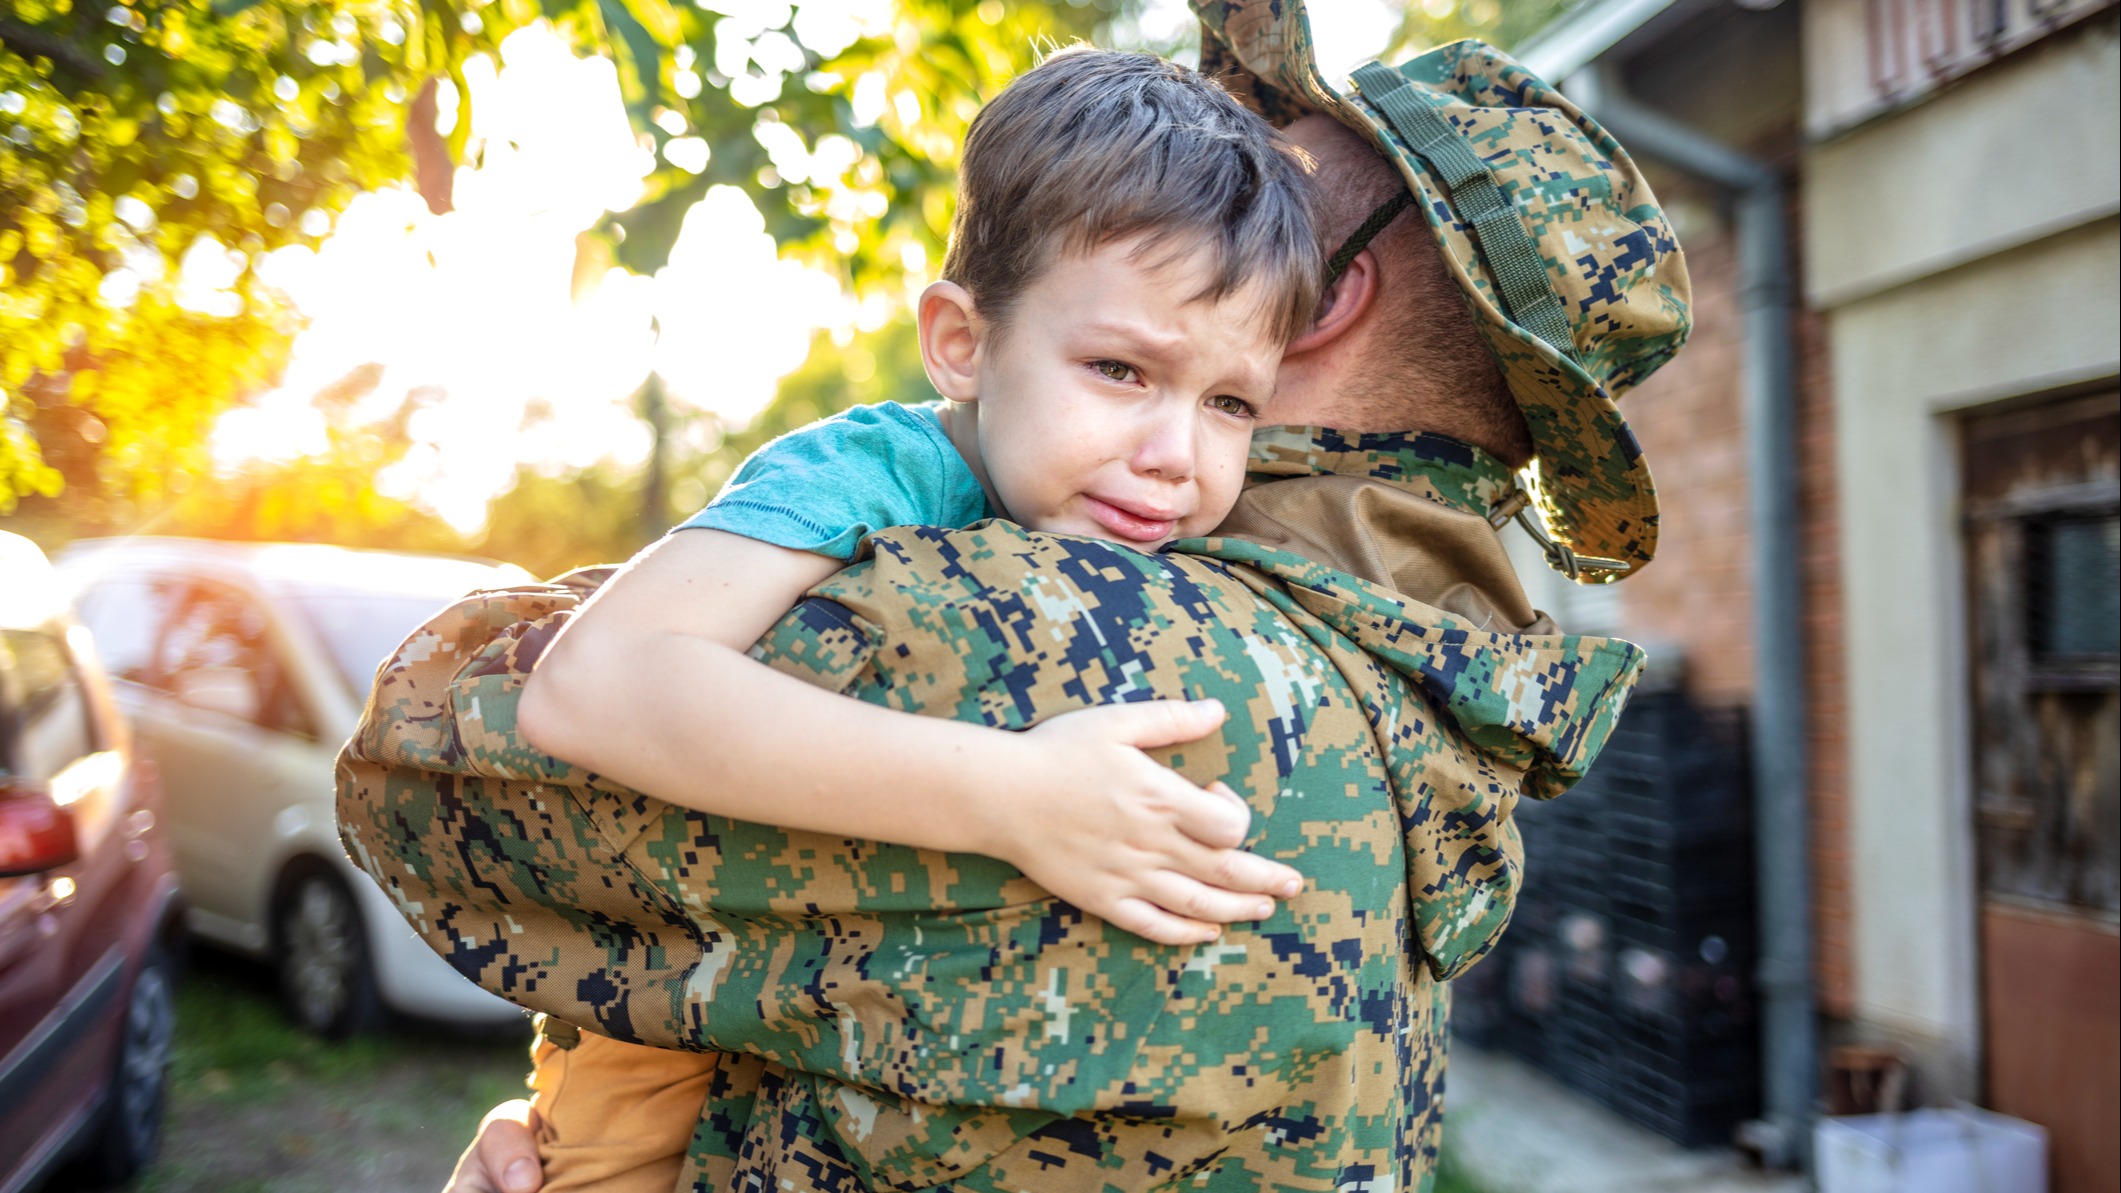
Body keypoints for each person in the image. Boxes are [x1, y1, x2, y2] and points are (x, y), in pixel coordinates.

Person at [338, 4, 1692, 1189]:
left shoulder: (1091, 645)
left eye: (1284, 140)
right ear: (962, 342)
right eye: (1121, 369)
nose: (1240, 132)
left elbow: (444, 741)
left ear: (1324, 297)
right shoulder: (1417, 668)